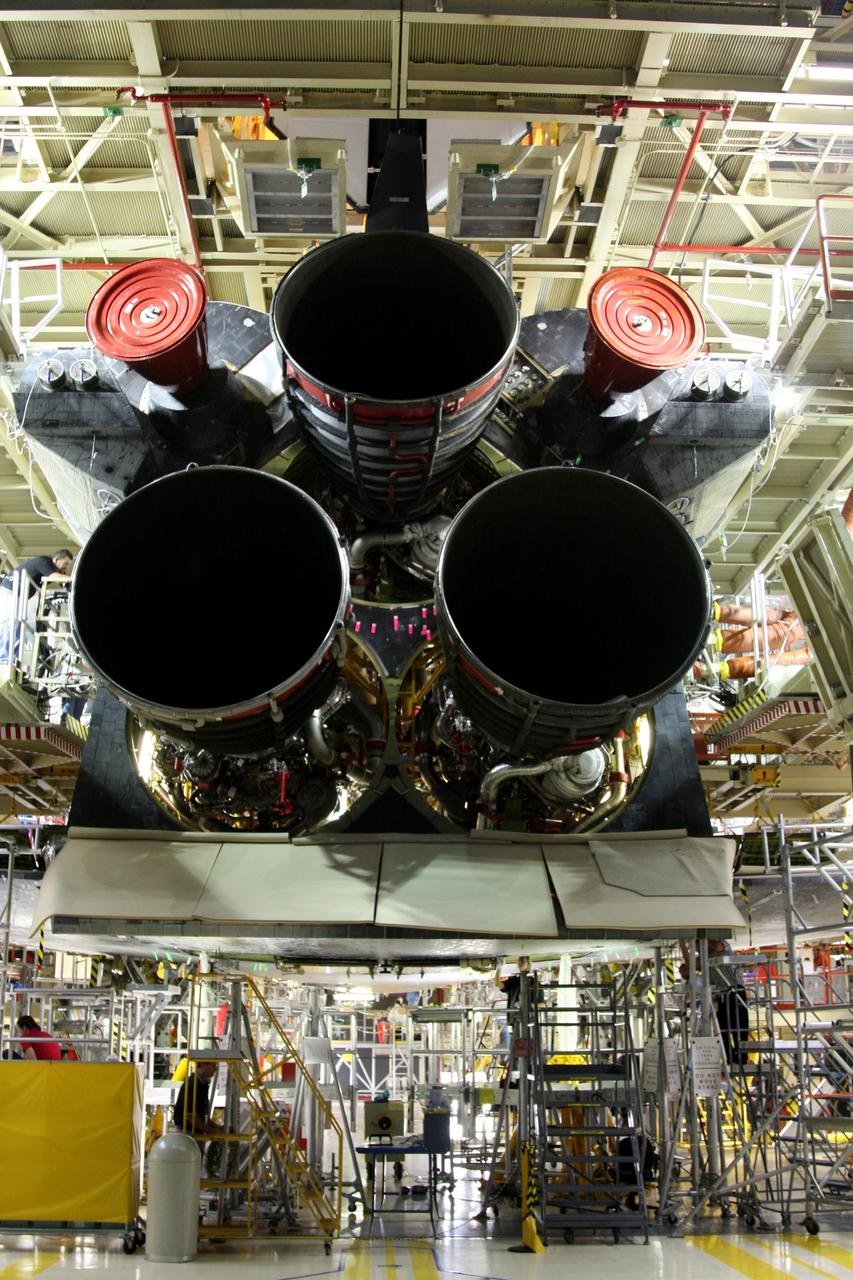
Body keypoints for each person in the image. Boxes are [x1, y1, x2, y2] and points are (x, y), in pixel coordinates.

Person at [173, 1061, 223, 1140]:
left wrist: (217, 1128)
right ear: (203, 1065)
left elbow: (202, 1115)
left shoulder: (203, 1083)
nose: (215, 1069)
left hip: (194, 1131)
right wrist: (212, 1130)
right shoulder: (192, 1084)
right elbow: (191, 1115)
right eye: (213, 1065)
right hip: (187, 1133)